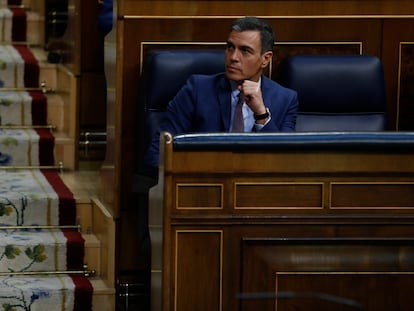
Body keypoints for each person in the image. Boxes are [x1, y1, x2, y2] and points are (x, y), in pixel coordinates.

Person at [144, 16, 299, 172]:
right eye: (230, 47)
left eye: (245, 51)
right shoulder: (197, 89)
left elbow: (284, 166)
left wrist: (261, 115)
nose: (233, 57)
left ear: (265, 59)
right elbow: (157, 156)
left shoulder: (285, 100)